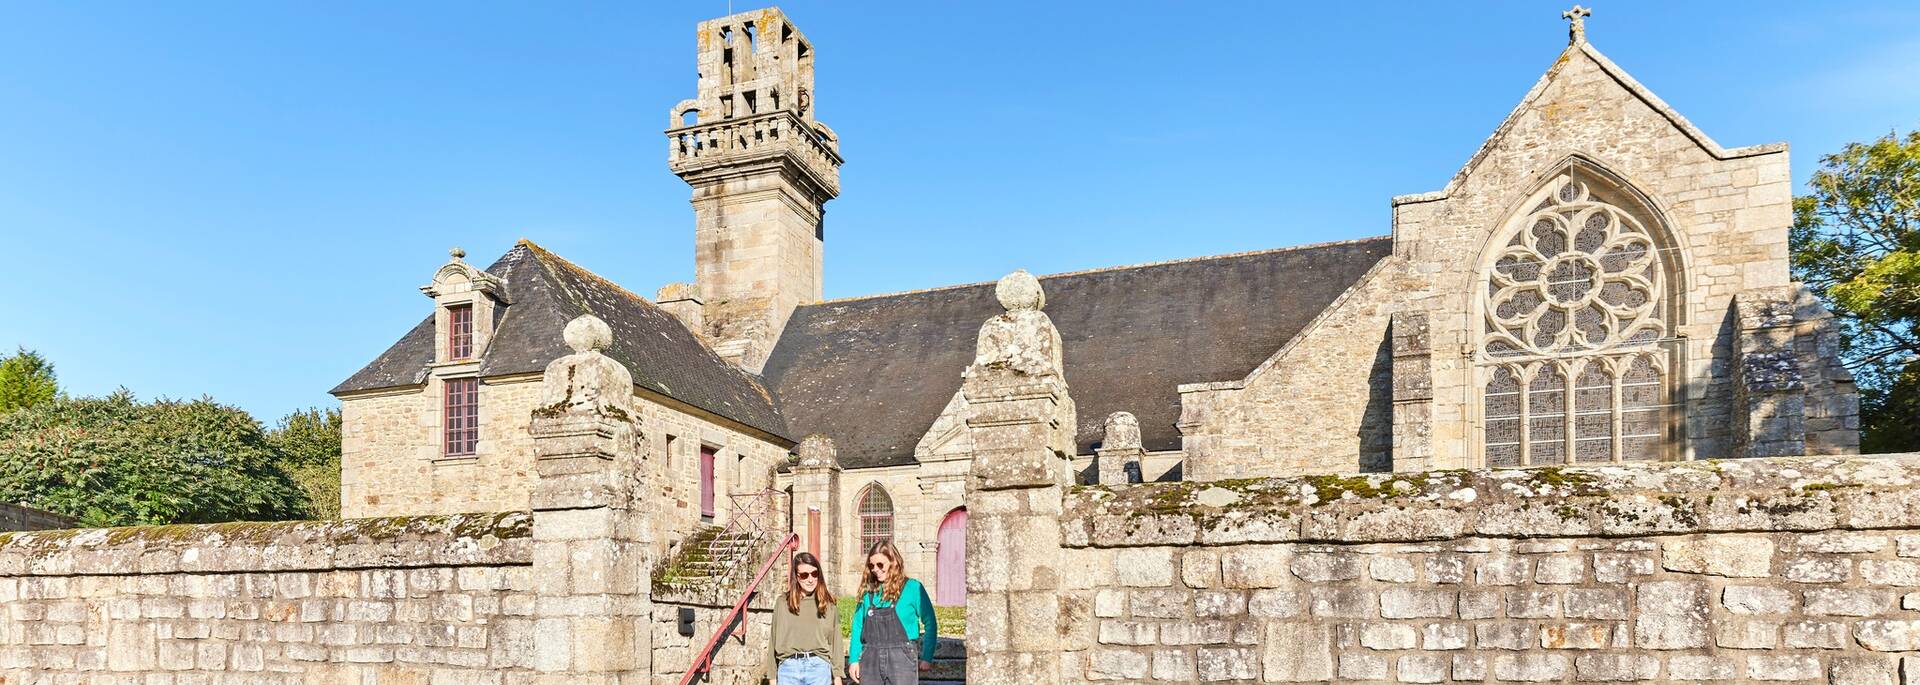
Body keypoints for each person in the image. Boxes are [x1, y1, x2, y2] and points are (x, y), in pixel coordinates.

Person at [846, 541, 937, 685]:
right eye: (872, 565)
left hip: (902, 658)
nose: (875, 569)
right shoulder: (868, 592)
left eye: (880, 564)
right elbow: (857, 627)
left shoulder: (913, 588)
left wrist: (927, 656)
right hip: (870, 657)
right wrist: (853, 660)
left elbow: (930, 622)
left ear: (893, 563)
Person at [768, 551, 843, 685]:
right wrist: (772, 677)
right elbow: (773, 641)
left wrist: (837, 676)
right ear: (796, 577)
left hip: (819, 669)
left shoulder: (828, 604)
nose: (810, 579)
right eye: (804, 575)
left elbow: (836, 641)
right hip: (788, 670)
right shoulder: (783, 603)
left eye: (814, 573)